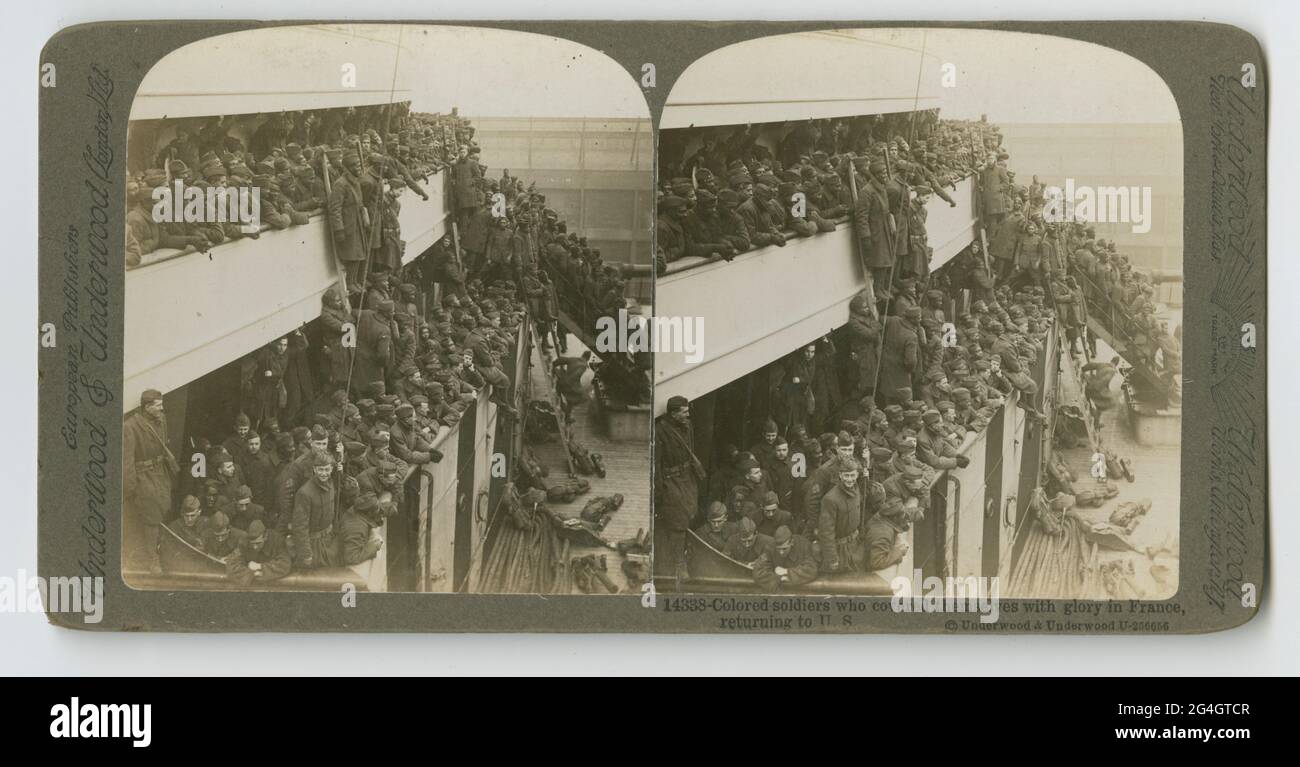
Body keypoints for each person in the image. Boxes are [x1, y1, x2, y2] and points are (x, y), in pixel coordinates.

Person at [124, 389, 179, 574]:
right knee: (151, 515)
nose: (162, 408)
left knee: (164, 508)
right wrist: (130, 487)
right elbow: (127, 461)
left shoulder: (161, 420)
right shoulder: (130, 427)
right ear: (147, 407)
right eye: (158, 405)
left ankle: (161, 551)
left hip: (160, 473)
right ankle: (152, 560)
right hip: (143, 476)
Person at [655, 395, 703, 581]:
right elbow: (657, 465)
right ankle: (679, 565)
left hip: (687, 478)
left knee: (691, 512)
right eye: (684, 412)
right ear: (673, 414)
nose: (687, 414)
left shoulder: (687, 426)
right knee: (678, 519)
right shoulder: (660, 431)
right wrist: (659, 491)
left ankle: (686, 552)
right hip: (671, 480)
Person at [752, 526, 819, 591]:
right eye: (778, 549)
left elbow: (812, 569)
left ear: (792, 542)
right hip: (779, 590)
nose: (781, 552)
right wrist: (779, 579)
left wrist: (787, 572)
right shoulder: (770, 547)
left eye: (784, 548)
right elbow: (758, 571)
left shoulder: (803, 545)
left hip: (802, 590)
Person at [227, 520, 293, 586]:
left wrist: (260, 566)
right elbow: (232, 563)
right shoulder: (244, 541)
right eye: (252, 544)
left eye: (258, 543)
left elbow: (285, 564)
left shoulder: (276, 540)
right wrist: (252, 574)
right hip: (251, 582)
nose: (255, 547)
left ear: (265, 537)